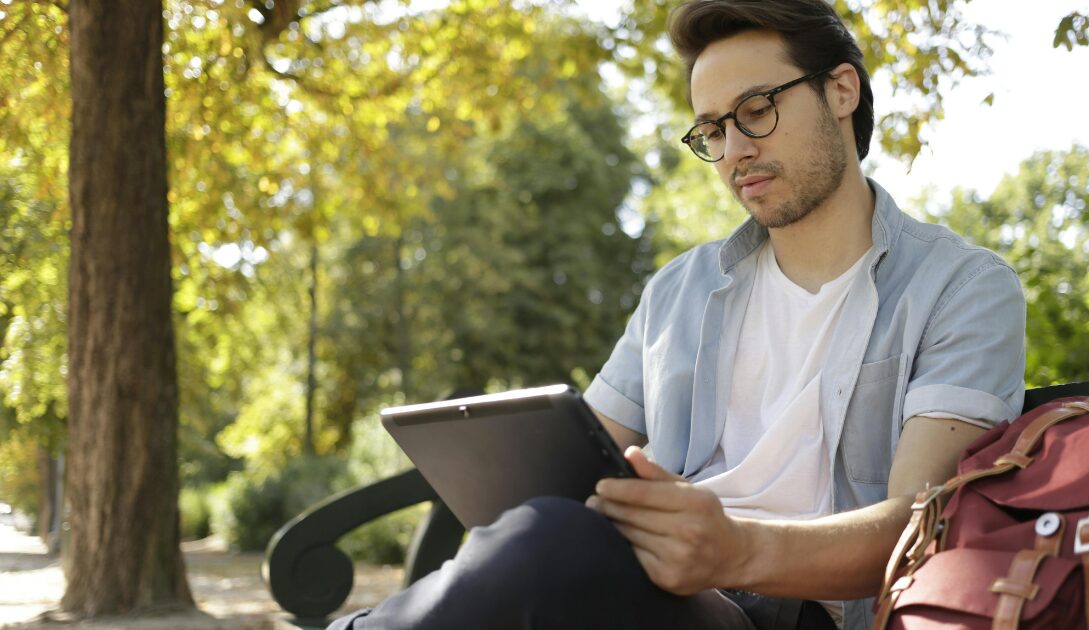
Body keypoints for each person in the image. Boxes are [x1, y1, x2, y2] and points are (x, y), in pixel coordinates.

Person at [330, 1, 1025, 629]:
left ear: (842, 91)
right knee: (546, 533)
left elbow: (918, 527)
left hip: (810, 614)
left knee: (549, 542)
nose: (735, 153)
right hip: (656, 592)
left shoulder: (962, 287)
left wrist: (735, 550)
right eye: (712, 130)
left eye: (757, 110)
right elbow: (583, 461)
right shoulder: (680, 290)